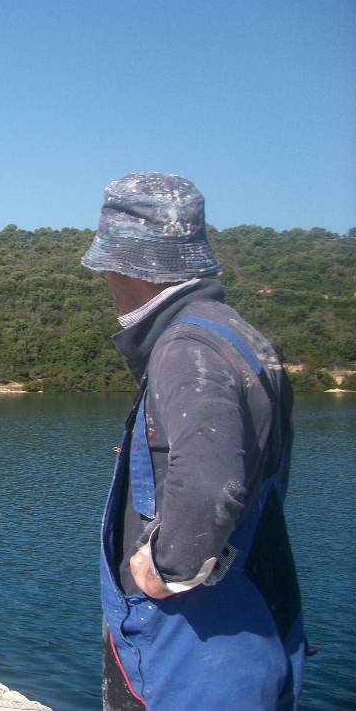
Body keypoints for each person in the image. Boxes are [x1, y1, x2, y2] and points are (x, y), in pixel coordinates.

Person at [82, 172, 306, 711]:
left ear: (125, 265)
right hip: (254, 617)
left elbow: (212, 483)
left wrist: (165, 568)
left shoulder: (186, 347)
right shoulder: (238, 335)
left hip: (196, 645)